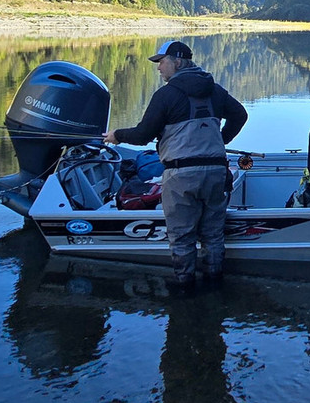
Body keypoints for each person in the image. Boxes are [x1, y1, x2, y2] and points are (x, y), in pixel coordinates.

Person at [104, 40, 247, 291]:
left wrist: (117, 135)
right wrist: (219, 142)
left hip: (181, 175)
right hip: (215, 171)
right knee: (213, 236)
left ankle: (185, 295)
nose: (158, 68)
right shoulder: (215, 90)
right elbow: (240, 115)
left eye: (162, 62)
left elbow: (143, 134)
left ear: (177, 62)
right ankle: (214, 290)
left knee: (181, 238)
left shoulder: (166, 95)